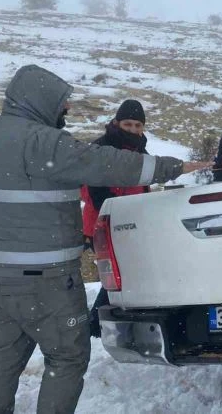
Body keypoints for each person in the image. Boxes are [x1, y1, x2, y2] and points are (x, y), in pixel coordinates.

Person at [0, 65, 210, 414]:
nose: (65, 110)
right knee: (67, 356)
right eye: (61, 103)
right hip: (44, 277)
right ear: (41, 100)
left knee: (1, 356)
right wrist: (171, 167)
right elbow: (108, 165)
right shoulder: (44, 142)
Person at [80, 99, 150, 338]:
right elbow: (94, 191)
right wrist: (114, 214)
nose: (132, 129)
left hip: (130, 223)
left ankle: (103, 321)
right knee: (116, 273)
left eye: (137, 125)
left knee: (124, 271)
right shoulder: (99, 149)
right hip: (103, 223)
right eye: (128, 123)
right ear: (117, 122)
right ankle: (95, 325)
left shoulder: (143, 152)